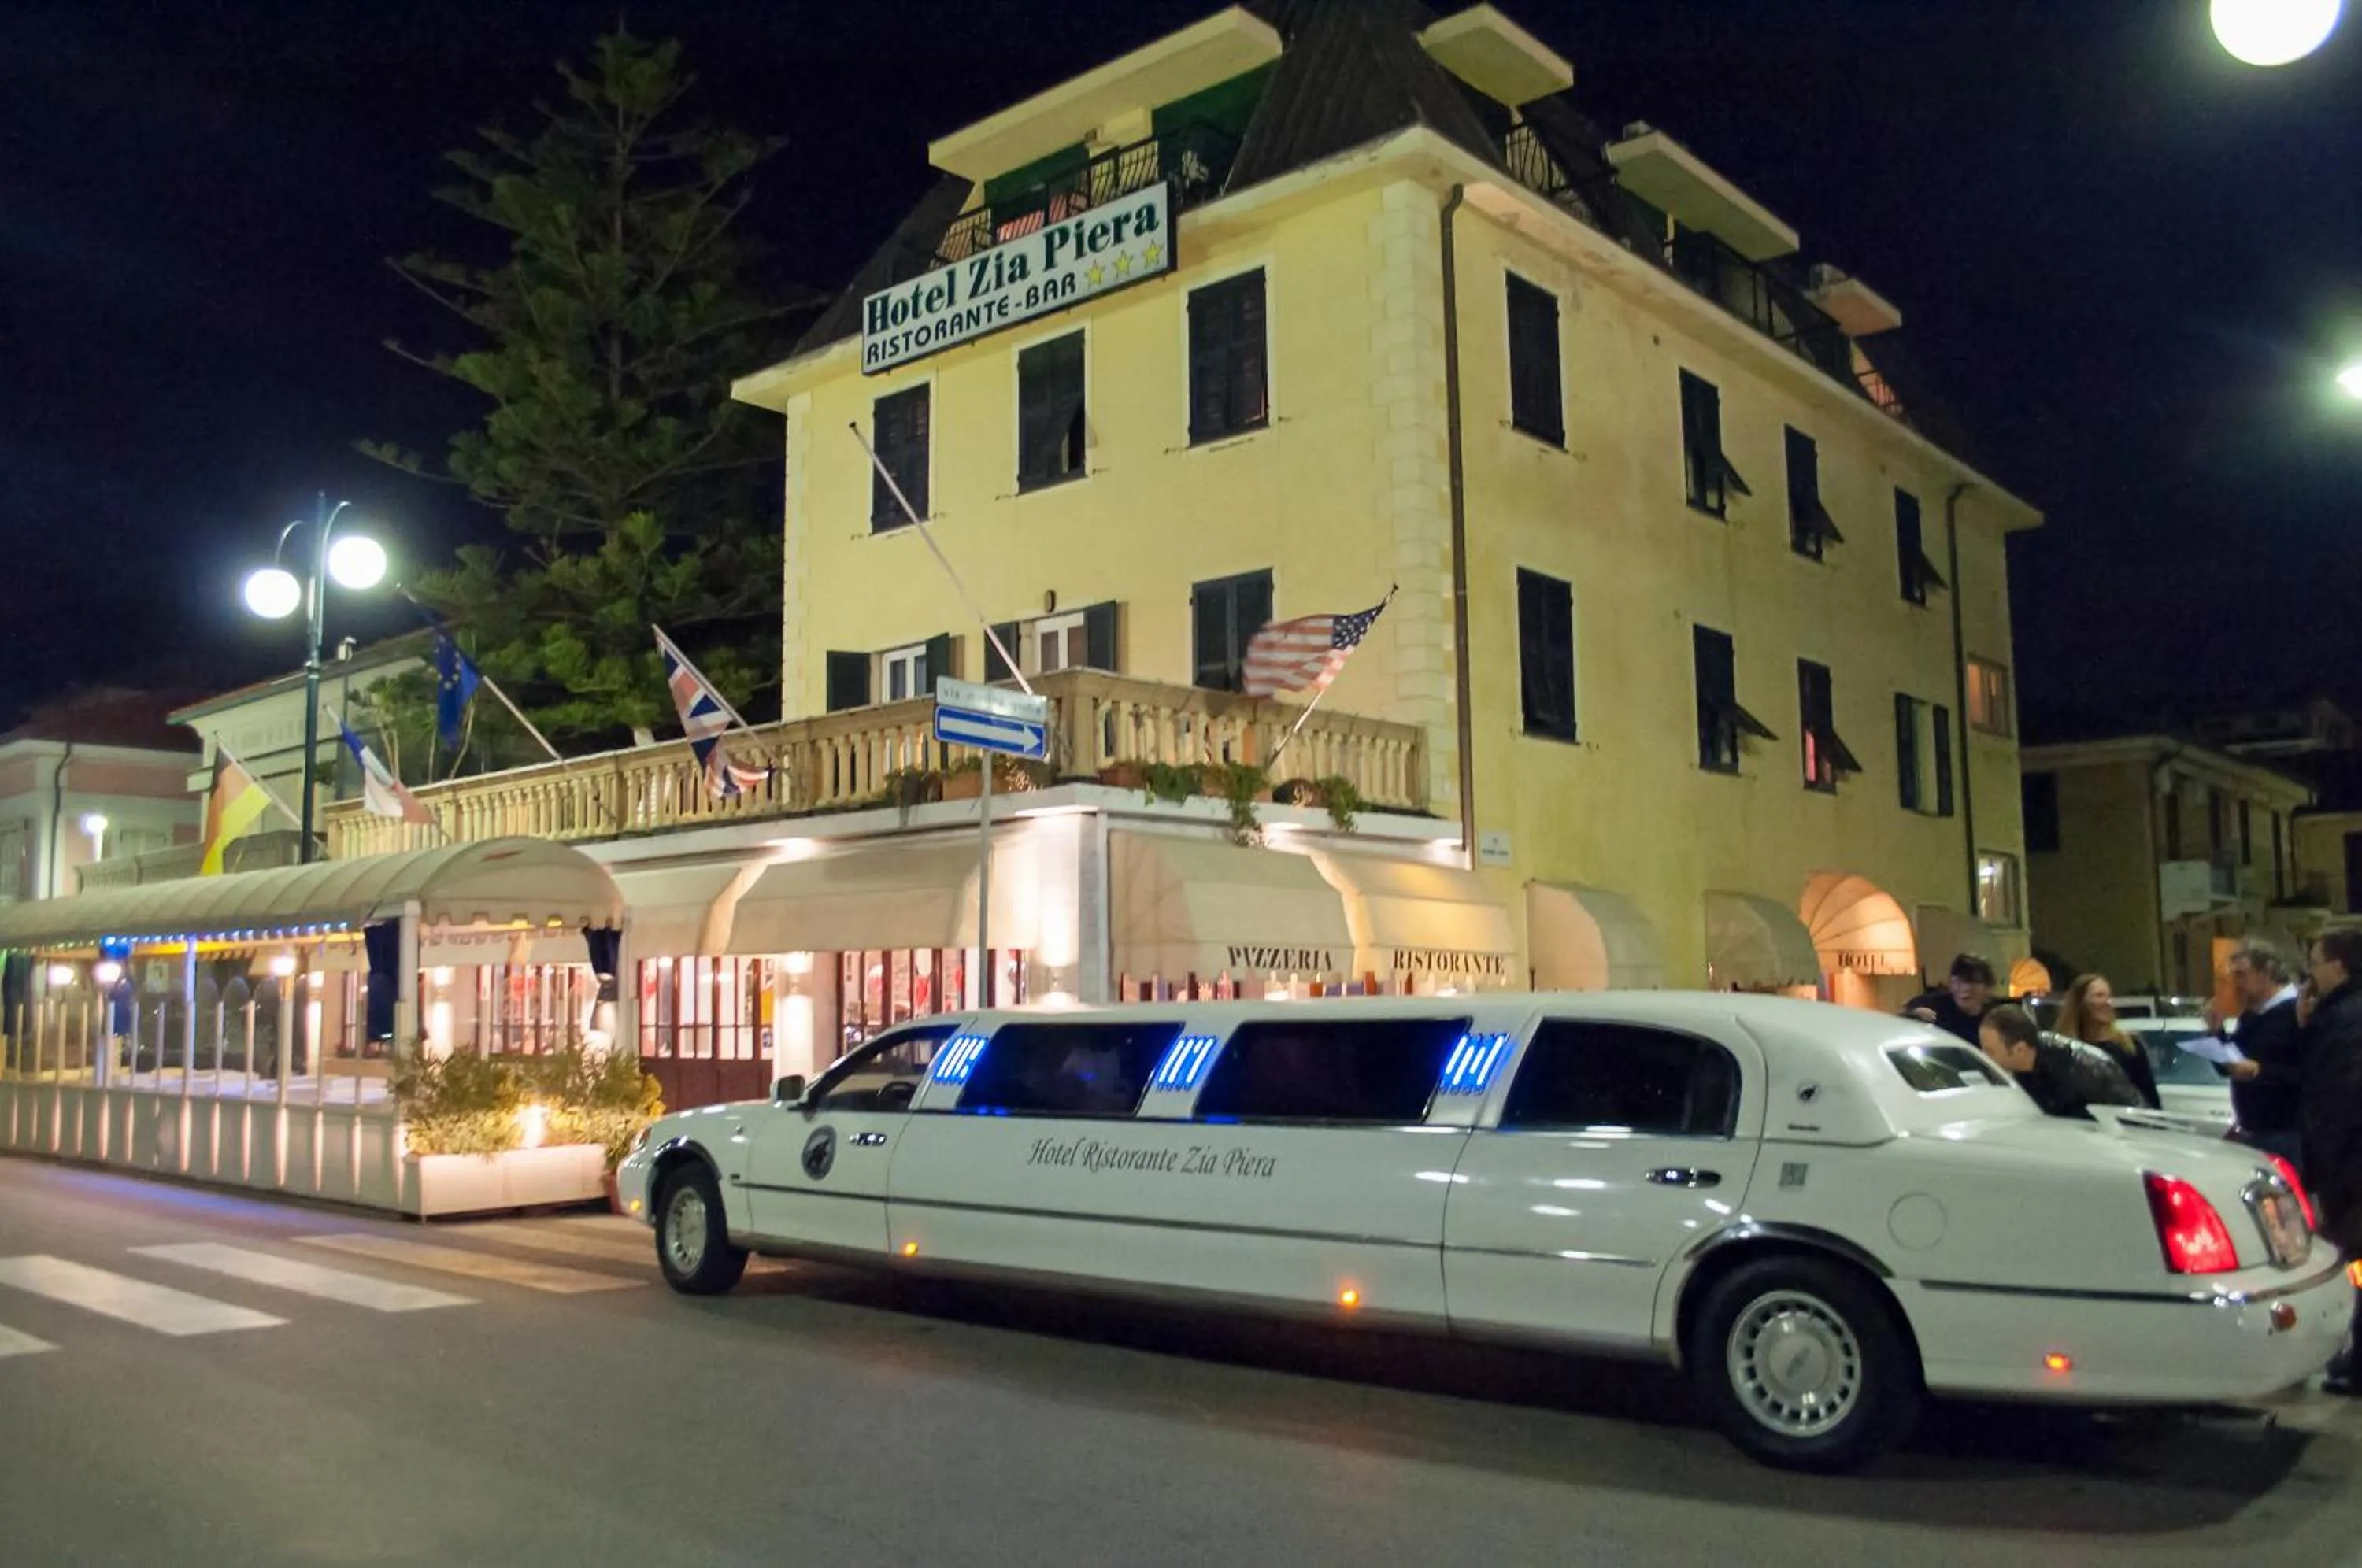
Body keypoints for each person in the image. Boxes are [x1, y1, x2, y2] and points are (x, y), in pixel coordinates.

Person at [2299, 928, 2362, 1396]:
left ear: (2338, 966)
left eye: (2316, 961)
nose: (2312, 971)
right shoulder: (2338, 1017)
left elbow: (2337, 1102)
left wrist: (2326, 1176)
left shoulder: (2345, 1020)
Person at [2190, 939, 2307, 1170]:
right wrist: (2216, 1033)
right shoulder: (2251, 1016)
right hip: (2252, 1129)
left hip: (2286, 1132)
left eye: (2242, 975)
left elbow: (2308, 1074)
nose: (2236, 984)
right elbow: (2229, 1067)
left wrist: (2259, 1072)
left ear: (2267, 972)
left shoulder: (2297, 1013)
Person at [1976, 1003, 2144, 1121]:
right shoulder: (2022, 1068)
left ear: (2019, 1049)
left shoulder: (2078, 1071)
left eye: (1990, 1051)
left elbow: (2131, 1119)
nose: (1983, 1056)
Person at [2055, 973, 2161, 1110]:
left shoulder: (2129, 1046)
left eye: (2109, 996)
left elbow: (2150, 1098)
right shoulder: (2064, 1049)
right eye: (2099, 996)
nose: (2107, 1002)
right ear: (2080, 1002)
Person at [1905, 953, 1997, 1045]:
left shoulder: (1994, 1020)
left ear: (1987, 988)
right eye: (1958, 981)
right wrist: (1913, 1015)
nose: (1965, 988)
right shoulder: (1935, 1004)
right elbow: (1900, 1018)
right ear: (1951, 984)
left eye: (1973, 982)